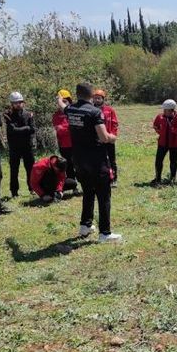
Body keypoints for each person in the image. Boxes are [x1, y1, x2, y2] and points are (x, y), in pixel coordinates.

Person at [57, 82, 121, 242]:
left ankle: (85, 226)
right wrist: (113, 138)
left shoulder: (71, 110)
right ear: (91, 95)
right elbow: (104, 137)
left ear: (76, 94)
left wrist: (59, 97)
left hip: (78, 160)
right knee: (104, 196)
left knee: (88, 192)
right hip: (96, 161)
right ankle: (105, 233)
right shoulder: (94, 112)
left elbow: (61, 104)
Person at [5, 92, 35, 197]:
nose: (18, 104)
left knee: (30, 169)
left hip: (27, 146)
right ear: (12, 103)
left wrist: (20, 129)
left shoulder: (28, 114)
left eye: (20, 102)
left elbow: (32, 129)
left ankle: (32, 189)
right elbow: (11, 130)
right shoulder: (8, 115)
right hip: (14, 147)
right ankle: (14, 192)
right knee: (14, 170)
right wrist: (25, 128)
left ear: (23, 102)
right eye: (15, 102)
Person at [92, 89, 119, 187]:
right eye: (95, 98)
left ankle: (114, 179)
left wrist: (112, 136)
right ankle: (99, 178)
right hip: (96, 141)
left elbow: (115, 124)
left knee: (112, 160)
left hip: (109, 139)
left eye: (99, 98)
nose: (97, 100)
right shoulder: (91, 110)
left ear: (103, 99)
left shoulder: (109, 110)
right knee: (97, 160)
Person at [52, 89, 78, 190]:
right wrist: (64, 129)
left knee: (78, 165)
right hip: (63, 145)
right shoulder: (56, 115)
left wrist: (63, 128)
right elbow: (57, 128)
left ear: (70, 101)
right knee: (68, 166)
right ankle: (74, 186)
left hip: (76, 144)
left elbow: (73, 128)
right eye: (61, 101)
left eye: (65, 101)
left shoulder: (74, 113)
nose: (62, 104)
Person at [152, 99, 177, 185]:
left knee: (173, 161)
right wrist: (160, 132)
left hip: (174, 143)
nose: (164, 111)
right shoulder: (160, 117)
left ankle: (172, 178)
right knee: (158, 161)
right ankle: (158, 178)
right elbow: (155, 126)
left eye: (166, 109)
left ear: (172, 110)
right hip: (162, 143)